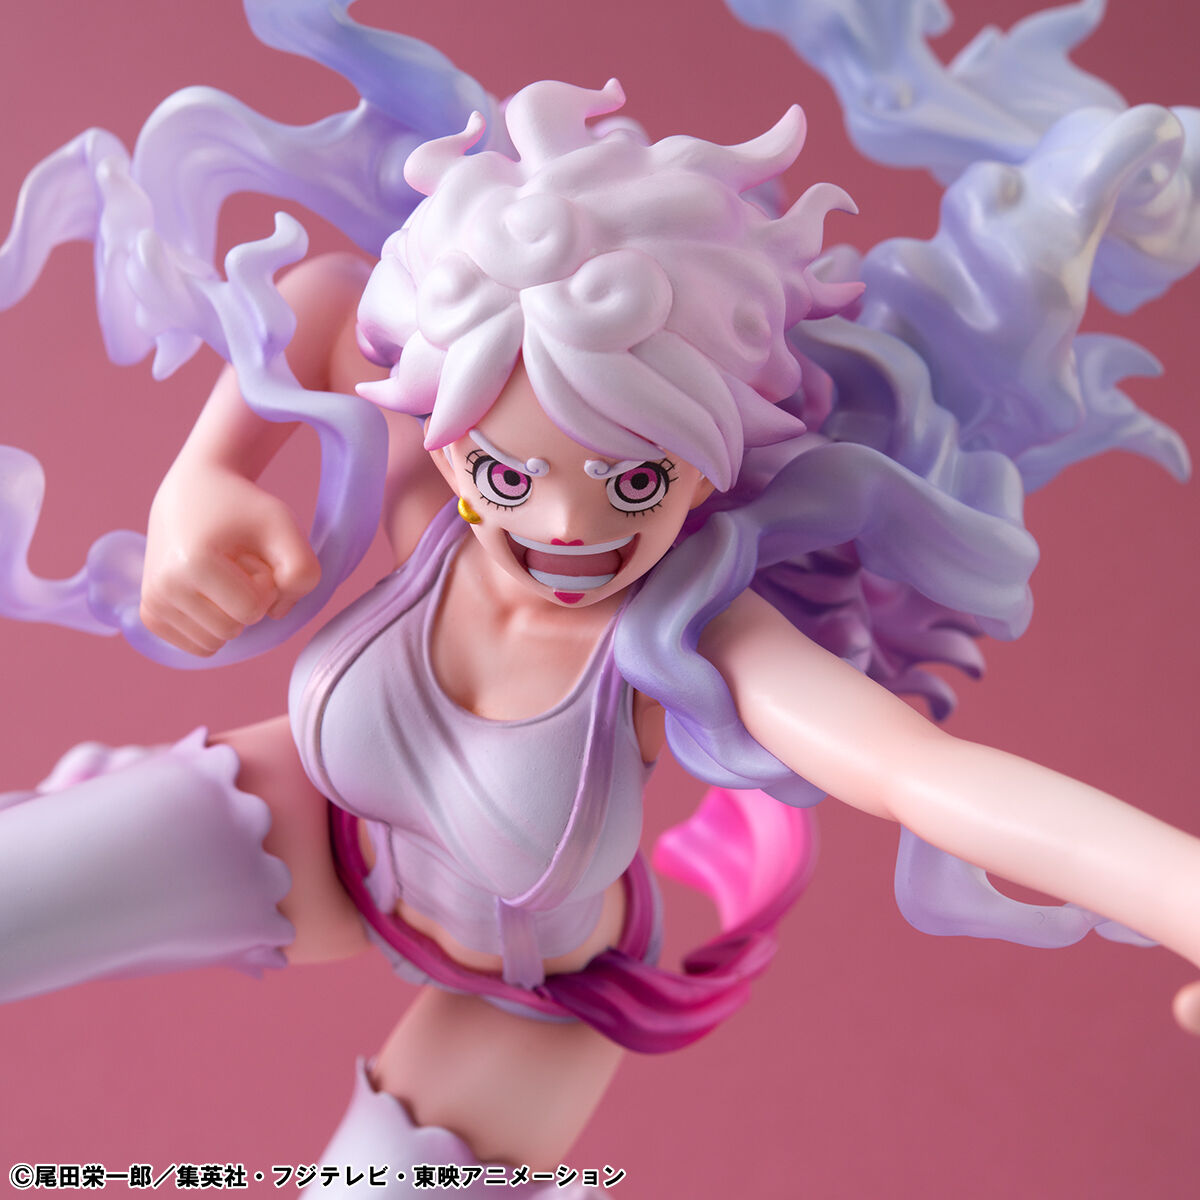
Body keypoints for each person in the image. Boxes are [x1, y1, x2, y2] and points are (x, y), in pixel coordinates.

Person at [1, 2, 1197, 1197]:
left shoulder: (694, 636)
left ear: (714, 459)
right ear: (450, 433)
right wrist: (203, 477)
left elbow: (920, 778)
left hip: (526, 997)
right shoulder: (429, 497)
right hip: (320, 832)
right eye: (509, 475)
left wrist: (1182, 894)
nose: (568, 528)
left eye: (635, 479)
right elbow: (324, 300)